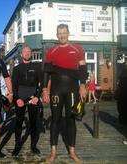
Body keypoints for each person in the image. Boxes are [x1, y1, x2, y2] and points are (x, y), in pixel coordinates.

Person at [42, 24, 87, 163]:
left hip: (72, 89)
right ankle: (53, 152)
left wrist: (83, 85)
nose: (62, 35)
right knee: (55, 120)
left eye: (64, 33)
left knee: (71, 120)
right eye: (59, 33)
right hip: (56, 90)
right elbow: (46, 73)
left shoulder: (77, 49)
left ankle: (72, 151)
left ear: (68, 33)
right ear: (57, 35)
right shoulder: (51, 51)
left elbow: (83, 68)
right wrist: (45, 89)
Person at [11, 44, 43, 156]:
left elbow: (42, 83)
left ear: (31, 53)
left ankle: (33, 146)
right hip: (20, 97)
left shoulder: (37, 67)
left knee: (34, 123)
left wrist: (37, 97)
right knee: (18, 122)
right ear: (21, 54)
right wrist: (17, 99)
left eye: (29, 51)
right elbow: (13, 86)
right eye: (25, 51)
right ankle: (17, 145)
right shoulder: (16, 69)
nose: (27, 53)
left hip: (33, 97)